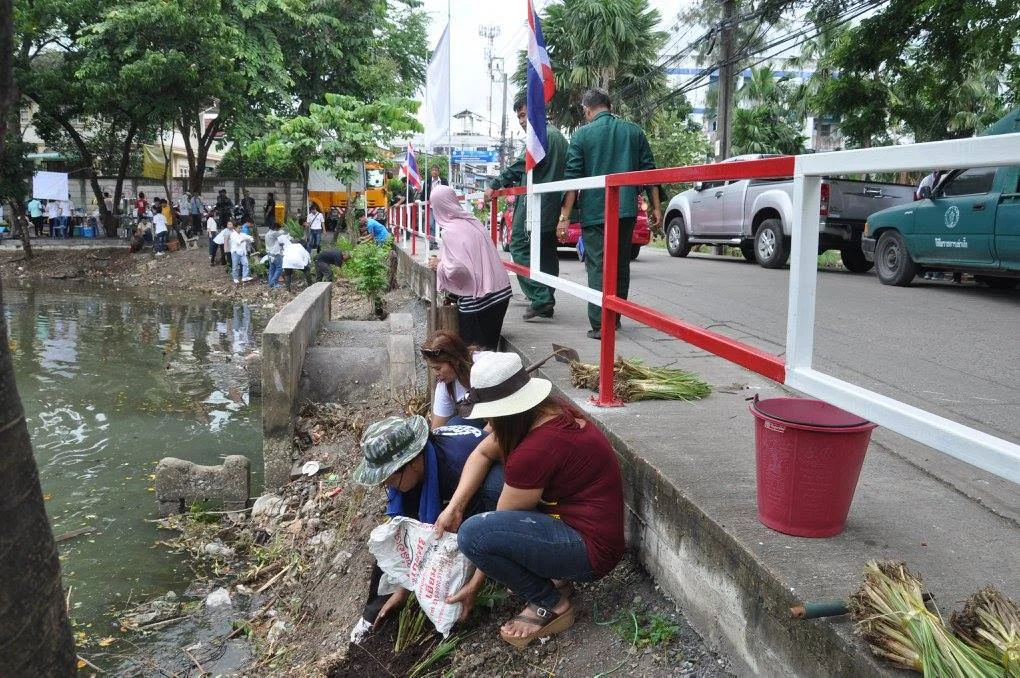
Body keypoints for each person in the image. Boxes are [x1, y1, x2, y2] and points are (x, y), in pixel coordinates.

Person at [434, 351, 625, 648]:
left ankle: (550, 602)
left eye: (489, 413)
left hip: (590, 550)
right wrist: (455, 507)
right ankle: (552, 575)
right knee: (493, 478)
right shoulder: (544, 413)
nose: (486, 421)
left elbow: (490, 532)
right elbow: (482, 453)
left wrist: (473, 584)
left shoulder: (536, 449)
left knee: (472, 534)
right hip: (573, 522)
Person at [351, 415, 502, 634]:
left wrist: (474, 584)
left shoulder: (456, 465)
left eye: (390, 479)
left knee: (481, 510)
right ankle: (370, 619)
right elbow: (412, 535)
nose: (388, 486)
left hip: (501, 491)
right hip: (456, 484)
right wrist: (402, 588)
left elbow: (490, 528)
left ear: (411, 461)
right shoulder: (419, 470)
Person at [560, 88, 661, 339]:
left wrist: (564, 218)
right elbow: (649, 171)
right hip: (625, 209)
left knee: (598, 265)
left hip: (595, 210)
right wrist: (657, 207)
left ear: (587, 109)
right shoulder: (633, 131)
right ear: (610, 106)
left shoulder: (582, 136)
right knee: (620, 263)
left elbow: (572, 178)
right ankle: (614, 318)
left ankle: (599, 323)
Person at [486, 94, 566, 321]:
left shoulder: (542, 136)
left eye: (524, 115)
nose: (521, 121)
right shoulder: (559, 136)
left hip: (534, 204)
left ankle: (541, 298)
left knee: (519, 245)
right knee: (547, 252)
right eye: (519, 116)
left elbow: (520, 165)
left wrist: (495, 183)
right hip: (553, 204)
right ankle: (546, 297)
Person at [428, 186, 511, 351]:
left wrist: (439, 265)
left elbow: (459, 269)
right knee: (489, 354)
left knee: (473, 357)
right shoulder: (472, 221)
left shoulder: (450, 231)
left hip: (479, 302)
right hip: (501, 294)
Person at [420, 330, 484, 429]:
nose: (435, 374)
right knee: (453, 426)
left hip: (504, 418)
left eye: (438, 368)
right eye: (432, 368)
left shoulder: (483, 366)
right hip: (483, 427)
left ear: (455, 360)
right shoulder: (445, 386)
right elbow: (437, 429)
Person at [421, 165, 448, 249]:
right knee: (431, 224)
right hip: (431, 207)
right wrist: (422, 204)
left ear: (438, 172)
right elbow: (424, 194)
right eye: (433, 170)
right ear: (431, 172)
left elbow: (447, 192)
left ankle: (434, 243)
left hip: (440, 207)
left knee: (438, 225)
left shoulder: (443, 181)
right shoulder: (428, 181)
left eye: (436, 170)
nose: (434, 172)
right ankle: (432, 242)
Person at [264, 222, 285, 288]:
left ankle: (271, 283)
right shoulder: (274, 233)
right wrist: (279, 229)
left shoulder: (267, 234)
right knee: (279, 268)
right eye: (278, 228)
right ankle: (272, 284)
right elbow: (282, 232)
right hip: (275, 254)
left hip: (269, 253)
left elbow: (274, 242)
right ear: (276, 228)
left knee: (272, 269)